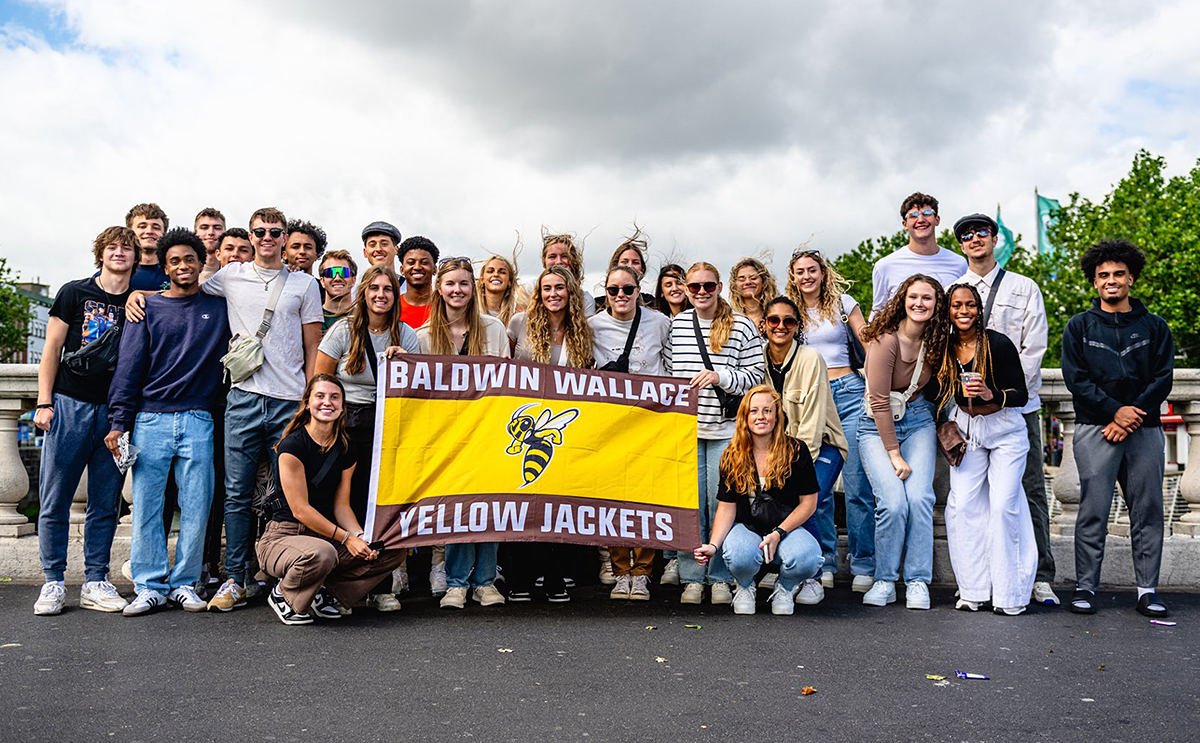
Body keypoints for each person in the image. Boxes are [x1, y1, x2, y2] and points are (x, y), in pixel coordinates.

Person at [128, 207, 323, 611]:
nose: (267, 237)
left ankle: (278, 572)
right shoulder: (230, 276)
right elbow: (182, 290)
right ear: (250, 236)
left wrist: (308, 399)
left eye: (275, 231)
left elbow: (312, 346)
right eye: (259, 231)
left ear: (285, 237)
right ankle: (236, 577)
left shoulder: (303, 284)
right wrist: (139, 293)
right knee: (235, 494)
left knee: (285, 495)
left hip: (289, 401)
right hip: (244, 398)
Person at [105, 229, 230, 616]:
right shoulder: (146, 308)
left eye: (189, 259)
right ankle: (149, 585)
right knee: (146, 505)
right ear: (165, 267)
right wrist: (118, 422)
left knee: (197, 506)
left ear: (200, 262)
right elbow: (129, 367)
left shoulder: (220, 308)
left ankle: (185, 583)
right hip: (150, 418)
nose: (183, 266)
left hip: (198, 419)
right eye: (174, 261)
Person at [951, 213, 1057, 606]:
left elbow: (1034, 347)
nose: (975, 238)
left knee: (1026, 492)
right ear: (960, 244)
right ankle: (980, 581)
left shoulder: (1022, 286)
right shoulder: (953, 290)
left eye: (982, 232)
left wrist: (1002, 396)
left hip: (1016, 406)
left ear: (995, 239)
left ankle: (1039, 575)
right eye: (966, 235)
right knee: (970, 500)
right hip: (967, 413)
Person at [1063, 240, 1173, 618]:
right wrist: (1114, 412)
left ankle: (1147, 590)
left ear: (1131, 278)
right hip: (1096, 428)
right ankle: (1085, 588)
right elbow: (1076, 380)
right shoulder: (1078, 326)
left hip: (1144, 428)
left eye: (1118, 274)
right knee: (1093, 510)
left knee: (1147, 509)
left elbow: (1163, 379)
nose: (1111, 281)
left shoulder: (1155, 326)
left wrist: (1132, 414)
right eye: (1103, 275)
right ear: (1094, 282)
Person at [31, 226, 137, 616]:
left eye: (127, 248)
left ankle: (96, 579)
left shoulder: (139, 300)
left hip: (115, 413)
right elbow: (52, 349)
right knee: (56, 496)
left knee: (106, 501)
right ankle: (53, 581)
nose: (119, 253)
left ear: (136, 257)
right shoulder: (74, 292)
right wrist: (44, 403)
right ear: (101, 253)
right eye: (112, 247)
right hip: (70, 404)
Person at [257, 374, 407, 625]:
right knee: (322, 553)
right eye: (320, 396)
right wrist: (346, 539)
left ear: (342, 406)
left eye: (334, 397)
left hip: (323, 537)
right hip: (284, 536)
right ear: (307, 403)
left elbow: (341, 505)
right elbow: (300, 510)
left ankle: (324, 591)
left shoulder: (346, 448)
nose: (327, 402)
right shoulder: (292, 445)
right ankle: (284, 594)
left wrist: (360, 537)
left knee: (390, 550)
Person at [316, 264, 419, 610]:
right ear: (364, 292)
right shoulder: (344, 331)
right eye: (374, 288)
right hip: (347, 427)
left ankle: (381, 585)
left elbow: (419, 391)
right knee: (347, 502)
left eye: (388, 289)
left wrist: (406, 364)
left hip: (388, 428)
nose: (380, 295)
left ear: (395, 295)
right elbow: (321, 383)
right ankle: (339, 585)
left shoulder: (406, 335)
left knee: (383, 506)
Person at [664, 262, 765, 605]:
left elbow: (756, 376)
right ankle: (692, 575)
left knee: (721, 503)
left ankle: (720, 576)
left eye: (708, 286)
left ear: (720, 287)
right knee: (690, 506)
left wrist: (721, 377)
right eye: (695, 287)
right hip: (686, 429)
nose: (702, 292)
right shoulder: (676, 325)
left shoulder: (742, 326)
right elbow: (666, 372)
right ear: (686, 289)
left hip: (725, 429)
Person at [932, 283, 1035, 615]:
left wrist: (993, 393)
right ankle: (973, 590)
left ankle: (1011, 594)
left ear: (980, 309)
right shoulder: (944, 347)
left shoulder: (998, 343)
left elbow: (1021, 394)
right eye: (956, 306)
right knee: (961, 507)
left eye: (970, 305)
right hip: (968, 430)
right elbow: (934, 388)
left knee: (1004, 507)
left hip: (1005, 428)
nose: (964, 311)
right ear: (947, 310)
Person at [416, 258, 511, 609]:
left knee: (488, 506)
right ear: (439, 288)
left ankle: (485, 581)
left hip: (488, 432)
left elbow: (507, 382)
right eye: (451, 284)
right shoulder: (424, 336)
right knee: (457, 509)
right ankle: (456, 582)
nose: (457, 290)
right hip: (447, 436)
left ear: (474, 289)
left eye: (464, 284)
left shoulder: (494, 329)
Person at [785, 248, 875, 592]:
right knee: (816, 488)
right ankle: (824, 560)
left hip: (849, 393)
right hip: (810, 399)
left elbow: (868, 340)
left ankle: (864, 561)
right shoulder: (790, 313)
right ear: (793, 276)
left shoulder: (842, 303)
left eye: (812, 270)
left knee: (857, 487)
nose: (806, 276)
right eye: (800, 271)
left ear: (823, 273)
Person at [505, 266, 595, 602]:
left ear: (570, 292)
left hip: (567, 426)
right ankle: (522, 576)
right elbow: (501, 367)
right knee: (524, 502)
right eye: (546, 288)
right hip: (528, 424)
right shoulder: (519, 324)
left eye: (560, 287)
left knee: (561, 504)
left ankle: (556, 575)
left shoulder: (584, 330)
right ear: (538, 293)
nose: (553, 294)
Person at [693, 386, 823, 615]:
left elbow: (809, 504)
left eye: (767, 410)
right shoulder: (732, 454)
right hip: (747, 527)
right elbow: (726, 507)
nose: (761, 416)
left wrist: (778, 533)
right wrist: (713, 545)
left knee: (808, 558)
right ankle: (744, 586)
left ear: (777, 416)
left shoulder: (796, 450)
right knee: (738, 555)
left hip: (786, 529)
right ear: (745, 417)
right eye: (754, 411)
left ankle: (785, 586)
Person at [857, 274, 946, 609]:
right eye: (914, 297)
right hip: (876, 427)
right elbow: (878, 400)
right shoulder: (885, 340)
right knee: (893, 503)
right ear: (903, 301)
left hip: (919, 419)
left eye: (927, 298)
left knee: (921, 498)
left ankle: (918, 580)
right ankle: (885, 579)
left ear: (937, 305)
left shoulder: (936, 342)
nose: (919, 304)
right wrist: (894, 454)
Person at [590, 265, 672, 601]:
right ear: (605, 293)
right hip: (610, 423)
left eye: (627, 289)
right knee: (614, 499)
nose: (620, 296)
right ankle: (621, 569)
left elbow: (670, 366)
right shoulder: (592, 326)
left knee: (646, 499)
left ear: (639, 291)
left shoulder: (660, 323)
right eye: (613, 290)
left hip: (650, 422)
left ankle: (643, 572)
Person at [760, 296, 847, 605]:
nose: (781, 326)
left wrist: (790, 470)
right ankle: (786, 564)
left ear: (798, 327)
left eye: (789, 321)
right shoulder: (759, 360)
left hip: (821, 446)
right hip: (776, 453)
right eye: (774, 320)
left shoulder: (811, 359)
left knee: (809, 496)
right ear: (764, 324)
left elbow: (810, 425)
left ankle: (812, 573)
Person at [871, 193, 966, 315]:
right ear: (904, 224)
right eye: (913, 216)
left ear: (937, 220)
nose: (920, 220)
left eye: (927, 214)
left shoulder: (959, 263)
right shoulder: (885, 266)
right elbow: (878, 314)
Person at [541, 230, 596, 317]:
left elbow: (587, 329)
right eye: (552, 257)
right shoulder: (530, 289)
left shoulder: (585, 299)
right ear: (544, 261)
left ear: (573, 261)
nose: (558, 262)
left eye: (564, 256)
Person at [126, 203, 170, 292]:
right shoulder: (116, 272)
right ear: (130, 232)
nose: (149, 231)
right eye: (142, 226)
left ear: (164, 234)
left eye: (156, 227)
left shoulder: (175, 272)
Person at [606, 230, 655, 307]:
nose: (630, 266)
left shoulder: (652, 303)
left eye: (635, 262)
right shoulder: (599, 305)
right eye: (624, 262)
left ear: (642, 268)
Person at [398, 236, 439, 329]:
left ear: (434, 269)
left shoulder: (445, 307)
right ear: (402, 270)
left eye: (424, 262)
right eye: (411, 262)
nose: (417, 267)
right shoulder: (392, 307)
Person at [729, 257, 778, 331]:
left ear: (764, 282)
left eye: (753, 278)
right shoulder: (729, 319)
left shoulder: (777, 316)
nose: (748, 282)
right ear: (735, 286)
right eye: (742, 279)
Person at [478, 254, 526, 326]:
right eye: (490, 271)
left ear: (509, 281)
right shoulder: (471, 310)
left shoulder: (517, 314)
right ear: (482, 280)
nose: (496, 274)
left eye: (502, 272)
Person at [319, 250, 358, 331]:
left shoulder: (364, 317)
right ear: (322, 281)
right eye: (330, 272)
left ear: (353, 280)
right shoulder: (312, 318)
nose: (337, 278)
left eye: (344, 272)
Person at [194, 207, 226, 283]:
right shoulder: (185, 271)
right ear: (195, 233)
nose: (211, 232)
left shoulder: (234, 273)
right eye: (204, 227)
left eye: (217, 228)